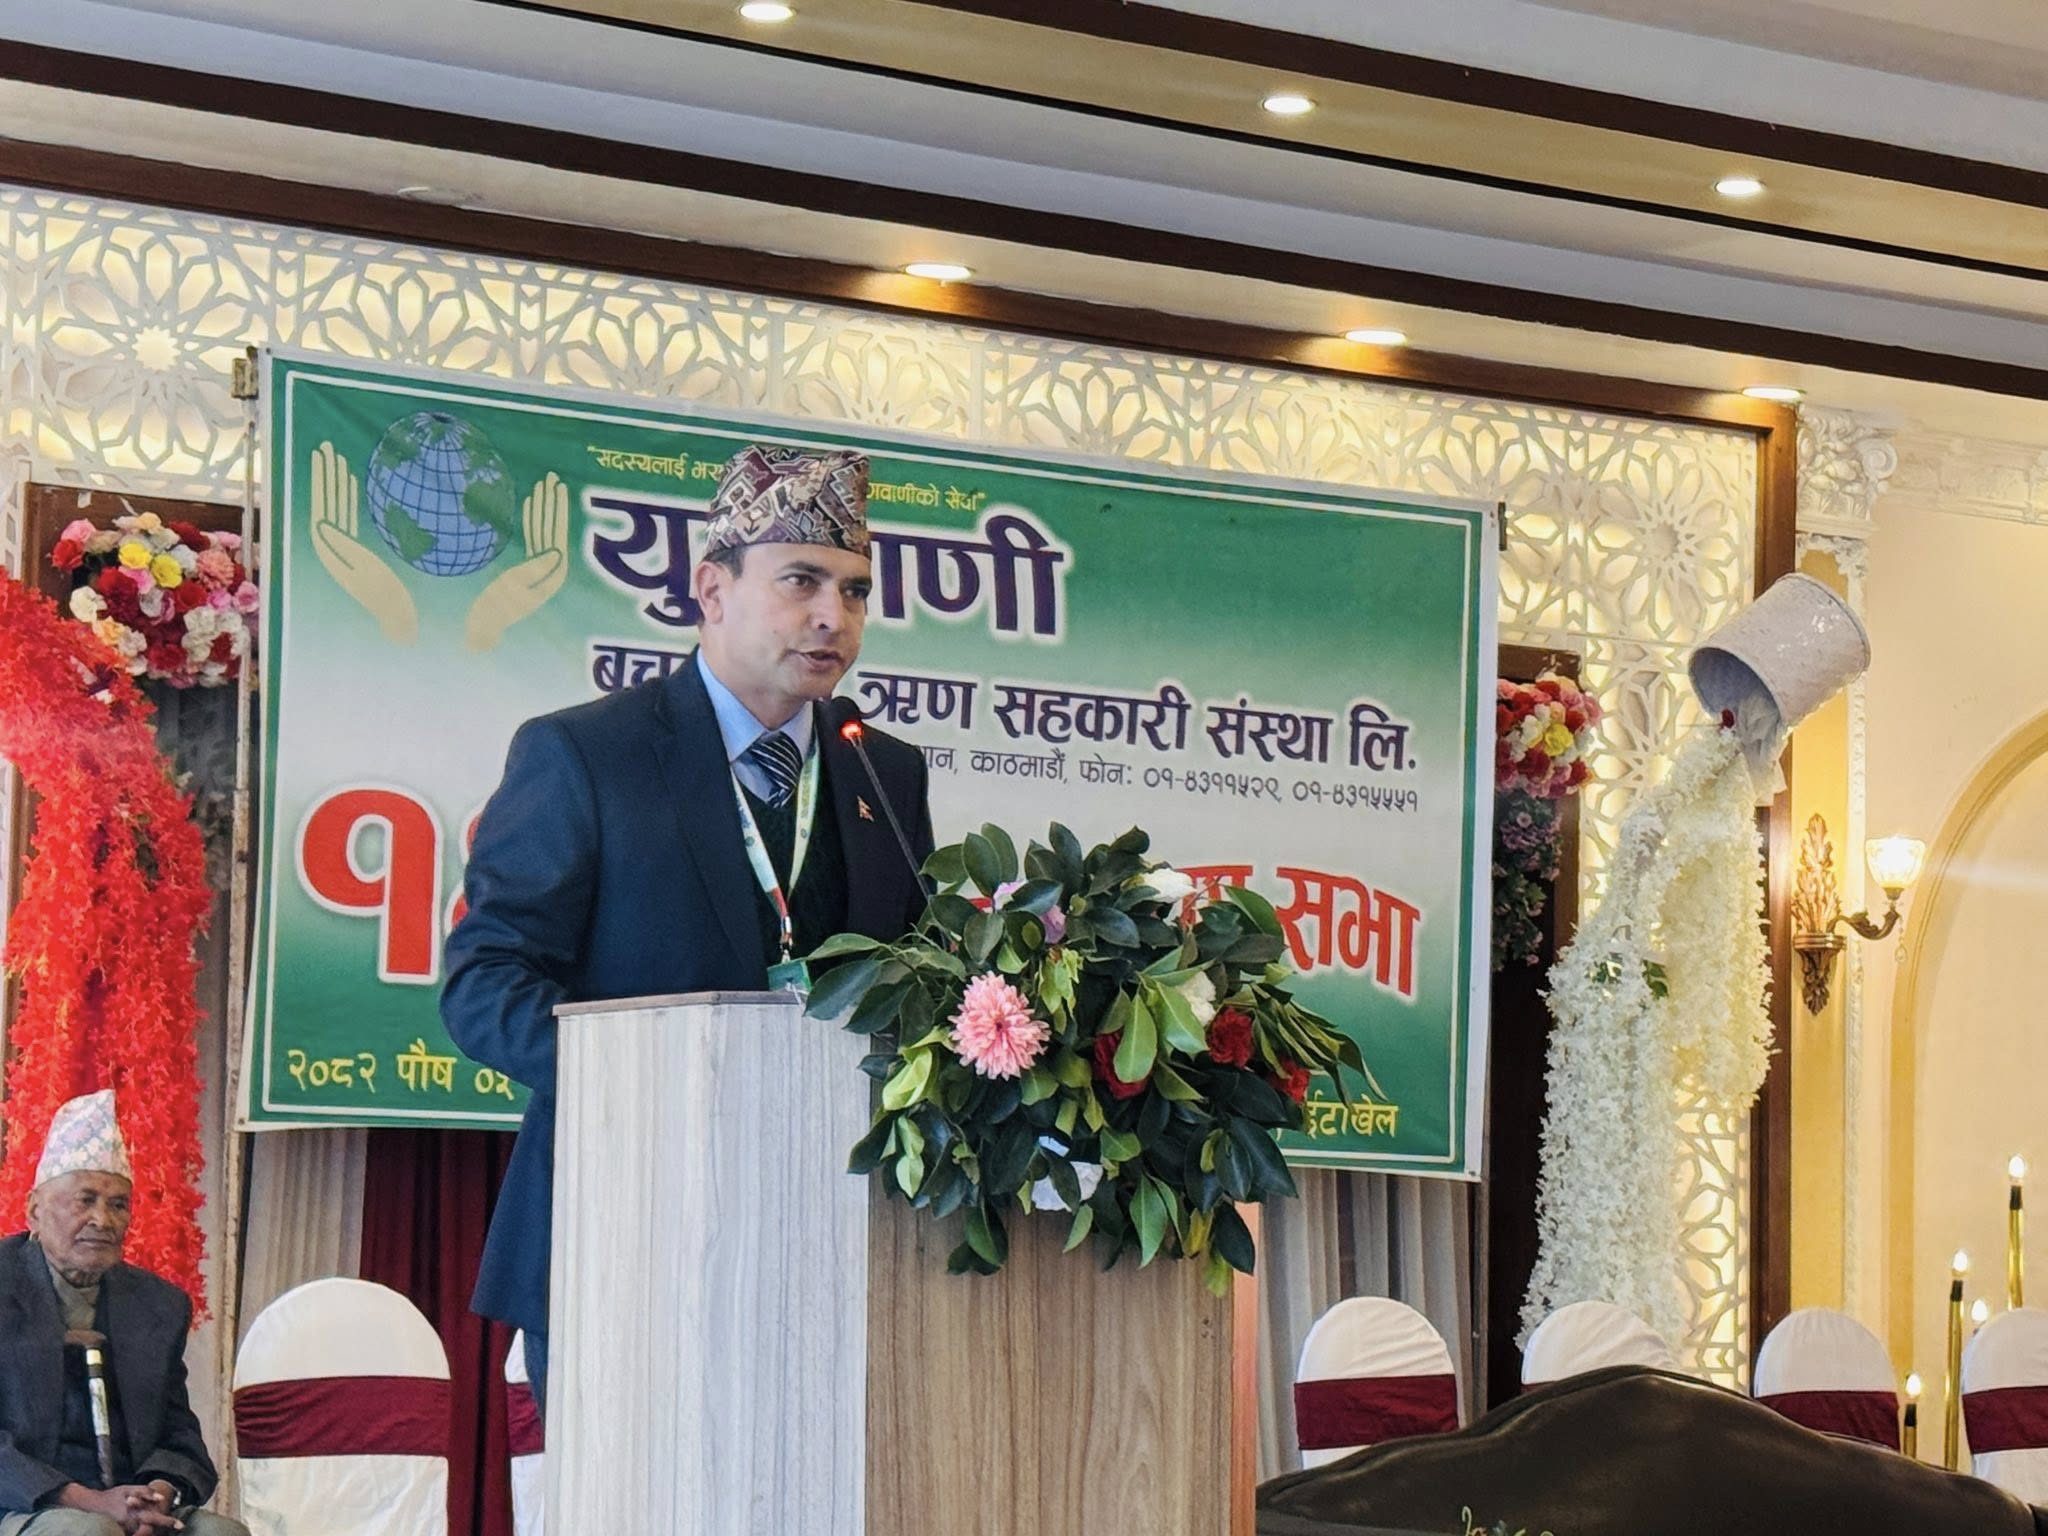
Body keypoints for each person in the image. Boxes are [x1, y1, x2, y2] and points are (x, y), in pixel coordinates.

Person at [443, 443, 934, 1414]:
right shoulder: (587, 754)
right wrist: (653, 1076)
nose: (833, 617)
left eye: (854, 591)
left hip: (834, 1238)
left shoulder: (883, 771)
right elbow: (485, 984)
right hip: (626, 1226)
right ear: (712, 589)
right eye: (800, 581)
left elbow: (918, 975)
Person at [0, 1091, 247, 1536]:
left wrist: (156, 1494)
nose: (104, 1220)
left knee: (222, 1533)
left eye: (118, 1205)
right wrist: (91, 1502)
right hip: (20, 1502)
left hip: (126, 1503)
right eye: (85, 1200)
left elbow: (181, 1438)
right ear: (34, 1211)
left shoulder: (157, 1304)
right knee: (89, 1533)